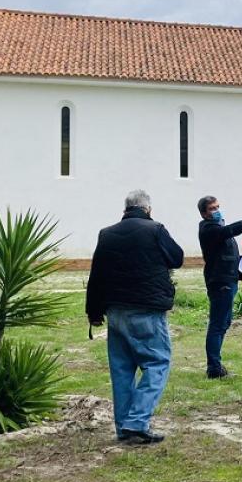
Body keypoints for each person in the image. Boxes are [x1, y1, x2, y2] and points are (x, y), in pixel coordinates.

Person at [86, 190, 184, 444]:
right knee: (157, 363)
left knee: (121, 370)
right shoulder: (155, 229)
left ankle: (123, 428)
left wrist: (93, 312)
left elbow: (96, 275)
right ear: (148, 209)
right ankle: (137, 421)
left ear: (125, 209)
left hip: (115, 310)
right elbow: (177, 258)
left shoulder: (106, 234)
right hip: (146, 309)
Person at [197, 195, 242, 378]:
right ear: (204, 213)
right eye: (213, 208)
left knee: (224, 322)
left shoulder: (219, 227)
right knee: (218, 324)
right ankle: (214, 367)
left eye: (218, 206)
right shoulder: (209, 229)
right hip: (221, 282)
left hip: (228, 279)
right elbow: (231, 230)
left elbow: (224, 255)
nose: (217, 210)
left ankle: (215, 364)